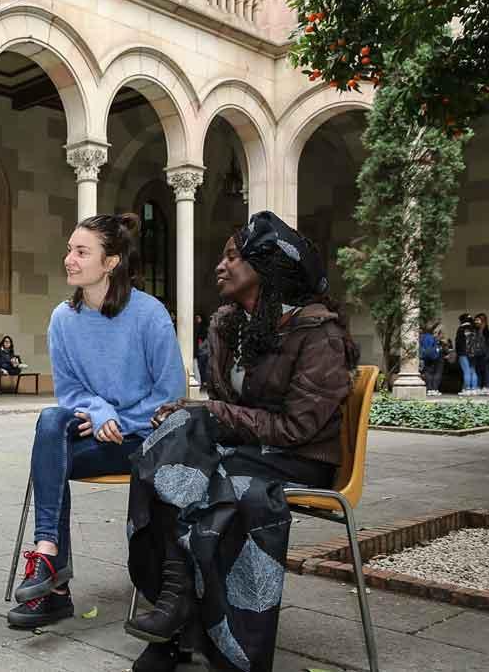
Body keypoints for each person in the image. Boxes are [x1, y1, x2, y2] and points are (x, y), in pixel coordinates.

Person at [126, 211, 358, 672]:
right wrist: (199, 416)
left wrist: (212, 415)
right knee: (165, 461)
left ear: (266, 266)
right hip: (247, 450)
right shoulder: (231, 326)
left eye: (233, 256)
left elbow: (297, 428)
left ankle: (183, 620)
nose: (220, 265)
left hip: (298, 457)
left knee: (210, 477)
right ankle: (177, 609)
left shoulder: (318, 333)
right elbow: (226, 408)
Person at [7, 213, 184, 629]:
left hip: (143, 442)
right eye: (69, 249)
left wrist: (119, 417)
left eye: (81, 251)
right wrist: (100, 410)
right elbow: (69, 393)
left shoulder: (149, 314)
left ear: (111, 262)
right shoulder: (62, 320)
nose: (69, 258)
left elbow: (172, 395)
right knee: (51, 421)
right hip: (98, 435)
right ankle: (49, 557)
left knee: (51, 454)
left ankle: (52, 587)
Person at [455, 313, 482, 395]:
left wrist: (457, 352)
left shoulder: (461, 329)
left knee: (466, 371)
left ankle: (467, 389)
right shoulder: (475, 328)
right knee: (473, 371)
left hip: (463, 353)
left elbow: (458, 342)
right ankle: (474, 389)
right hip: (474, 353)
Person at [419, 323, 444, 396]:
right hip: (436, 356)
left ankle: (429, 389)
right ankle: (435, 389)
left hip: (426, 356)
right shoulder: (435, 337)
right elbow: (440, 345)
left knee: (428, 372)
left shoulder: (422, 337)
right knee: (437, 372)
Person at [474, 313, 489, 395]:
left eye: (479, 320)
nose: (477, 322)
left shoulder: (488, 331)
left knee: (486, 370)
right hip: (478, 353)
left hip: (486, 353)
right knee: (478, 370)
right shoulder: (476, 330)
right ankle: (479, 387)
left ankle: (487, 387)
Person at [193, 313, 210, 387]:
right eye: (196, 318)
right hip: (202, 352)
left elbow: (203, 340)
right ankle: (204, 381)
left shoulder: (203, 328)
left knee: (203, 367)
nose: (197, 320)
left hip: (203, 352)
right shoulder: (198, 327)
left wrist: (200, 347)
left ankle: (204, 381)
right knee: (202, 367)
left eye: (198, 318)